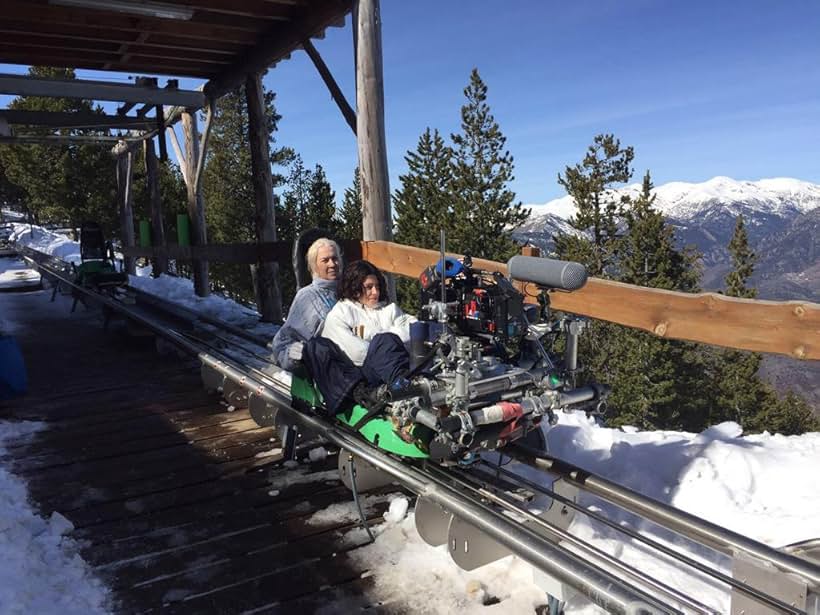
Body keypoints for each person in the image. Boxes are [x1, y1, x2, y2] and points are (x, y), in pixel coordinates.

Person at [303, 260, 416, 415]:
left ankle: (405, 388)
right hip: (358, 374)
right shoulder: (341, 313)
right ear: (355, 288)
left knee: (386, 340)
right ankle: (380, 393)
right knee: (315, 346)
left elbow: (413, 328)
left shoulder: (388, 309)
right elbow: (356, 353)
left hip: (388, 367)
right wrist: (383, 342)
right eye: (369, 287)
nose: (375, 292)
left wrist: (384, 340)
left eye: (377, 286)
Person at [270, 237, 341, 371]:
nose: (332, 264)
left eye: (335, 258)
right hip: (328, 366)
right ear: (314, 265)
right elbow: (283, 341)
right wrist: (294, 355)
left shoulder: (350, 290)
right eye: (325, 260)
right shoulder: (307, 296)